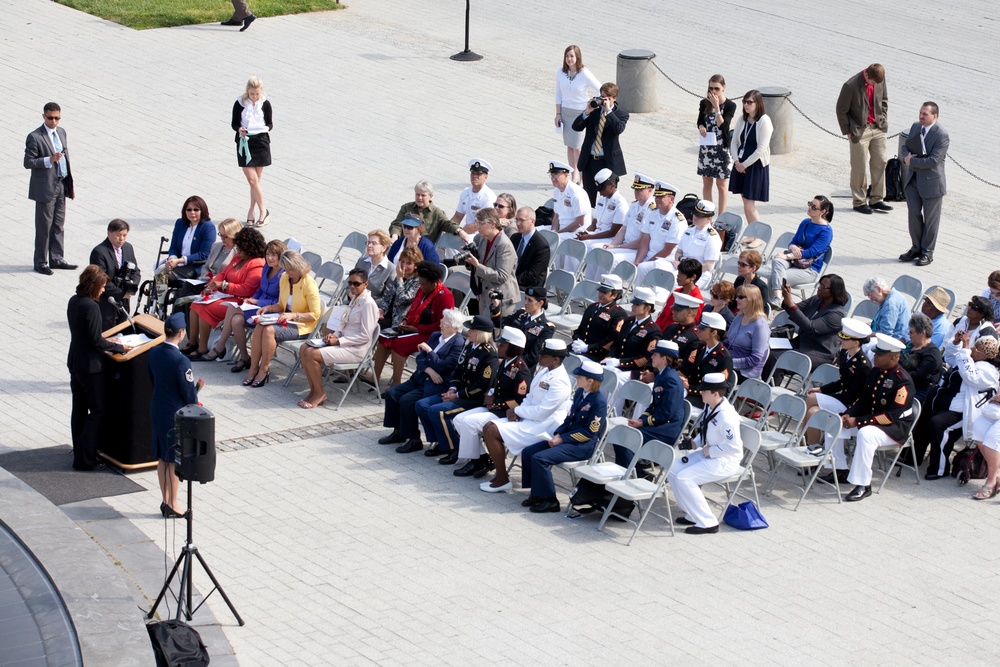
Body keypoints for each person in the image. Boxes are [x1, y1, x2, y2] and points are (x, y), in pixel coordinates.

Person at [479, 339, 574, 493]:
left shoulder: (561, 381)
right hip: (530, 418)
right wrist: (517, 411)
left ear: (555, 359)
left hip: (544, 426)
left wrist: (516, 411)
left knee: (492, 431)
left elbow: (543, 411)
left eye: (544, 355)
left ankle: (502, 479)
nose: (540, 356)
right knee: (488, 426)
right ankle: (499, 477)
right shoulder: (545, 370)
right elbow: (529, 397)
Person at [520, 360, 608, 513]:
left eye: (580, 377)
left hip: (581, 446)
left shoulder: (598, 402)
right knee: (528, 452)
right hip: (567, 438)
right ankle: (537, 494)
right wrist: (559, 433)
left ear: (590, 381)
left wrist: (563, 439)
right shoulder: (581, 392)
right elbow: (570, 418)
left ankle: (550, 501)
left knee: (540, 458)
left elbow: (589, 433)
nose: (576, 378)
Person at [67, 266, 130, 471]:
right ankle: (86, 458)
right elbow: (96, 341)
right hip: (91, 368)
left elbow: (87, 335)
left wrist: (104, 339)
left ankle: (79, 453)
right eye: (102, 286)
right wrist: (119, 346)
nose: (104, 290)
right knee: (97, 410)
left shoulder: (74, 301)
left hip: (76, 362)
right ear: (94, 286)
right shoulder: (92, 307)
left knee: (79, 410)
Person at [410, 314, 499, 455]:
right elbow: (458, 371)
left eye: (472, 330)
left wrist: (457, 395)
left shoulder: (489, 354)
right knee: (421, 405)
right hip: (458, 393)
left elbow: (482, 386)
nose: (468, 332)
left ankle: (453, 448)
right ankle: (441, 441)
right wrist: (452, 389)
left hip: (473, 399)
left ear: (480, 333)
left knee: (436, 411)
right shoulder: (469, 346)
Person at [841, 335, 916, 502]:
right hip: (874, 419)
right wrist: (850, 413)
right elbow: (864, 399)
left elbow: (891, 416)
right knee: (837, 422)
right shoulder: (876, 371)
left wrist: (858, 421)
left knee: (865, 434)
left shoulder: (902, 382)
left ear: (894, 358)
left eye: (880, 355)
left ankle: (863, 484)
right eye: (875, 353)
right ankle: (839, 468)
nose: (875, 356)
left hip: (894, 428)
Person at [378, 309, 466, 448]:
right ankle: (398, 431)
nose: (441, 324)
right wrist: (429, 369)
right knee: (392, 393)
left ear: (455, 328)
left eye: (445, 323)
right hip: (422, 376)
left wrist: (430, 352)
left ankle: (414, 439)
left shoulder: (458, 343)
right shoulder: (436, 336)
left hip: (436, 383)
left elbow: (444, 366)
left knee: (407, 400)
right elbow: (420, 358)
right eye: (442, 321)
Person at [668, 372, 743, 534]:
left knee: (684, 478)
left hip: (725, 460)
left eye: (704, 391)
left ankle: (708, 522)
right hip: (709, 454)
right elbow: (707, 429)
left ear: (715, 393)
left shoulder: (727, 416)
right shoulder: (712, 407)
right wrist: (695, 442)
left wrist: (711, 450)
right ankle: (692, 513)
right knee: (673, 469)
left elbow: (735, 447)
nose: (700, 392)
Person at [452, 327, 532, 477]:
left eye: (503, 345)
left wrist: (496, 402)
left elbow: (519, 400)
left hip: (504, 412)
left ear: (513, 348)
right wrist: (490, 396)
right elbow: (496, 385)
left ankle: (476, 461)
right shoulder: (506, 363)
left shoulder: (521, 370)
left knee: (469, 422)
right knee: (458, 420)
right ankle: (483, 458)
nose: (499, 347)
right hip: (493, 407)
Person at [298, 268, 379, 409]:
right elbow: (345, 323)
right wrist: (334, 334)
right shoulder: (355, 298)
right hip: (343, 343)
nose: (352, 287)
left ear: (365, 284)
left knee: (312, 355)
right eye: (350, 283)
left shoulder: (368, 304)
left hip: (356, 350)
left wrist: (339, 341)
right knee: (304, 347)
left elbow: (365, 336)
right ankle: (313, 390)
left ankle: (319, 393)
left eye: (356, 284)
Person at [921, 336, 1000, 480]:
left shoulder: (988, 371)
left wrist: (965, 347)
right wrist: (956, 343)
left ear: (984, 355)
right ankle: (912, 457)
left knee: (938, 424)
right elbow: (950, 357)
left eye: (976, 349)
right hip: (946, 405)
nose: (972, 350)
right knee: (925, 416)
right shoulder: (970, 360)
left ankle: (939, 469)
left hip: (964, 413)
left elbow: (969, 375)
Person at [242, 250, 321, 388]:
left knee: (268, 331)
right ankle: (253, 368)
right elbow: (281, 304)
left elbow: (315, 314)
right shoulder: (285, 278)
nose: (288, 272)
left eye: (291, 269)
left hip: (302, 324)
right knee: (260, 325)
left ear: (299, 267)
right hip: (284, 318)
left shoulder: (309, 283)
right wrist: (269, 308)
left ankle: (264, 369)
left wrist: (293, 315)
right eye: (286, 269)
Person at [806, 318, 872, 477]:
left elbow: (853, 394)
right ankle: (811, 448)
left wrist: (826, 394)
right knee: (812, 409)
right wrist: (822, 389)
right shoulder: (845, 354)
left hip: (851, 405)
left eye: (846, 338)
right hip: (843, 398)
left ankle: (812, 450)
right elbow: (842, 381)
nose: (841, 340)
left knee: (812, 404)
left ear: (856, 343)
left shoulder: (863, 365)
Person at [186, 227, 266, 359]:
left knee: (205, 307)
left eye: (240, 249)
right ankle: (192, 342)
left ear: (249, 248)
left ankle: (202, 348)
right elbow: (223, 273)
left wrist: (225, 285)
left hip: (241, 301)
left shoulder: (257, 264)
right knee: (196, 303)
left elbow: (247, 290)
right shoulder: (238, 258)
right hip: (228, 296)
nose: (238, 252)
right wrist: (213, 284)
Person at [147, 313, 198, 518]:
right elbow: (188, 393)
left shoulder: (153, 352)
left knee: (163, 458)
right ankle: (172, 503)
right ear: (182, 332)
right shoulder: (181, 360)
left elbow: (153, 378)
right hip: (174, 414)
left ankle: (165, 499)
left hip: (158, 407)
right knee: (173, 460)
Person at [373, 262, 454, 387]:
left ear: (433, 283)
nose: (421, 286)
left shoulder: (445, 296)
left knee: (399, 344)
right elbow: (412, 310)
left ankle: (396, 383)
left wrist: (417, 329)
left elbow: (441, 326)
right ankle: (375, 377)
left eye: (423, 284)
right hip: (414, 329)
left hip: (431, 335)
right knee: (384, 336)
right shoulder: (423, 289)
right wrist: (405, 320)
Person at [213, 239, 286, 375]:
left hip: (271, 309)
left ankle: (220, 346)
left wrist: (257, 302)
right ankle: (245, 357)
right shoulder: (266, 267)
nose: (269, 258)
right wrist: (252, 299)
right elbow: (260, 289)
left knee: (234, 308)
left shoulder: (284, 275)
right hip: (259, 305)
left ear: (281, 256)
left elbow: (281, 301)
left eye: (273, 255)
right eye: (268, 254)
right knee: (236, 320)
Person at [25, 102, 77, 275]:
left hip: (61, 184)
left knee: (58, 224)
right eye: (50, 118)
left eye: (57, 118)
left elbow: (66, 158)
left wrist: (70, 184)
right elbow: (28, 162)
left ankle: (57, 258)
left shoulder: (61, 133)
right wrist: (49, 160)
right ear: (43, 116)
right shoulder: (35, 136)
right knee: (44, 226)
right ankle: (40, 261)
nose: (54, 121)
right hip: (46, 188)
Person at [836, 64, 891, 215]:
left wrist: (883, 119)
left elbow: (884, 100)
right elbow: (841, 109)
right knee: (859, 167)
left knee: (880, 161)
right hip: (860, 130)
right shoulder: (850, 86)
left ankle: (877, 198)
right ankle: (859, 201)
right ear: (866, 74)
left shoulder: (880, 79)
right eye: (872, 82)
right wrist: (848, 130)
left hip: (878, 127)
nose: (874, 85)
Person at [900, 102, 949, 267]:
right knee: (913, 213)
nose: (921, 116)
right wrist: (906, 156)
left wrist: (911, 161)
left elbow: (934, 161)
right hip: (913, 180)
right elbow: (905, 146)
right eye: (920, 113)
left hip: (931, 184)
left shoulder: (941, 135)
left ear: (934, 116)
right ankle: (916, 247)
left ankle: (927, 252)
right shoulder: (915, 127)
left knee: (931, 220)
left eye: (925, 114)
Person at [771, 274, 849, 371]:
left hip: (818, 353)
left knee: (777, 359)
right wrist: (788, 298)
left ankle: (770, 385)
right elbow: (795, 309)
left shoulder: (837, 315)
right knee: (768, 351)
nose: (819, 288)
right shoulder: (817, 299)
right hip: (801, 343)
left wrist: (790, 302)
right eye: (820, 284)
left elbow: (811, 327)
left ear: (833, 292)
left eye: (823, 286)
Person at [767, 196, 834, 307]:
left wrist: (788, 256)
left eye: (814, 207)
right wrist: (793, 248)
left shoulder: (826, 231)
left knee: (775, 276)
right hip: (795, 260)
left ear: (823, 212)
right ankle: (777, 299)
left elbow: (812, 252)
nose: (810, 208)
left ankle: (771, 305)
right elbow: (793, 242)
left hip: (809, 268)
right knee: (777, 261)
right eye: (809, 204)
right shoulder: (805, 222)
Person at [572, 82, 629, 207]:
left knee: (608, 196)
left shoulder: (621, 114)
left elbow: (618, 129)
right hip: (590, 160)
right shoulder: (594, 111)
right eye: (603, 97)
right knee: (588, 196)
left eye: (608, 98)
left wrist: (608, 112)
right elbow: (576, 127)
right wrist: (587, 112)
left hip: (607, 162)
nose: (604, 101)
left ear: (615, 98)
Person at [554, 45, 601, 185]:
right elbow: (558, 93)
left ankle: (581, 177)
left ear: (578, 57)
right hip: (565, 111)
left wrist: (592, 103)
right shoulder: (561, 72)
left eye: (572, 56)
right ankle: (572, 174)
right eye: (567, 56)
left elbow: (599, 88)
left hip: (579, 113)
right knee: (569, 146)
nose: (569, 59)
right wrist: (557, 113)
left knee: (578, 147)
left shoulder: (583, 73)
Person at [628, 339, 687, 451]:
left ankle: (632, 467)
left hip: (666, 429)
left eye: (655, 355)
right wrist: (641, 419)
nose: (652, 357)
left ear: (664, 359)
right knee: (626, 436)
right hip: (658, 423)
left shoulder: (670, 380)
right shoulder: (662, 375)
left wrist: (643, 423)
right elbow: (654, 405)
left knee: (629, 438)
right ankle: (632, 466)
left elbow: (666, 414)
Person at [232, 76, 272, 227]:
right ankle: (263, 211)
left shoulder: (265, 103)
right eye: (252, 93)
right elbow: (234, 123)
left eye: (257, 94)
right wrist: (240, 129)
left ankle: (251, 211)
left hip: (261, 142)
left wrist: (264, 129)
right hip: (245, 142)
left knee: (256, 182)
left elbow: (270, 123)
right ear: (247, 90)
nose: (254, 97)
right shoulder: (240, 103)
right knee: (252, 180)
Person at [465, 207, 519, 317]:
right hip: (484, 294)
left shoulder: (504, 245)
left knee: (491, 333)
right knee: (482, 332)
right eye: (477, 222)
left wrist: (477, 266)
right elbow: (476, 266)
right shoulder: (482, 238)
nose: (477, 227)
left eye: (481, 223)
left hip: (500, 299)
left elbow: (501, 276)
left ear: (493, 224)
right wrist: (468, 259)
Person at [729, 90, 772, 224]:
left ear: (758, 104)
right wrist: (736, 161)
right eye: (744, 102)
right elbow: (734, 142)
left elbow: (761, 149)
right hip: (740, 164)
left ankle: (758, 235)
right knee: (745, 201)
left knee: (749, 203)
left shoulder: (764, 121)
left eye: (749, 102)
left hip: (754, 166)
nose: (746, 105)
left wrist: (744, 165)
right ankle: (751, 232)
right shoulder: (743, 119)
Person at [697, 75, 737, 213]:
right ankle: (707, 213)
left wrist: (716, 107)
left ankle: (721, 216)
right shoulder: (704, 103)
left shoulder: (730, 105)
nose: (713, 92)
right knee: (707, 183)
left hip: (722, 149)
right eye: (711, 88)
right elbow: (700, 121)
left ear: (723, 88)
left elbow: (723, 126)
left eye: (717, 89)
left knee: (721, 185)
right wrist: (701, 127)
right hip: (707, 148)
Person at [155, 196, 216, 284]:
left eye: (196, 210)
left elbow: (204, 254)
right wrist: (172, 259)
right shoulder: (180, 223)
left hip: (194, 266)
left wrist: (180, 260)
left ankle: (160, 298)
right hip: (177, 263)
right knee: (160, 270)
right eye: (189, 210)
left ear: (202, 211)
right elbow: (173, 247)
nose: (192, 212)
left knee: (161, 272)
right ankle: (158, 298)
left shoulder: (208, 227)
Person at [90, 219, 139, 330]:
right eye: (118, 235)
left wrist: (132, 285)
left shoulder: (128, 248)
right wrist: (121, 294)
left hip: (123, 304)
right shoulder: (99, 252)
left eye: (124, 235)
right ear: (109, 233)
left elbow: (136, 271)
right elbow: (101, 279)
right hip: (106, 304)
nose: (121, 239)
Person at [635, 181, 686, 284]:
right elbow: (645, 240)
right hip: (648, 255)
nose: (656, 199)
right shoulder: (653, 213)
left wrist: (645, 263)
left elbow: (667, 250)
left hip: (665, 260)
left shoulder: (677, 220)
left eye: (660, 197)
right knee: (627, 262)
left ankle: (637, 296)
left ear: (671, 199)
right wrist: (638, 260)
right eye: (656, 196)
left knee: (642, 268)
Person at [679, 312, 734, 408]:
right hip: (688, 391)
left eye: (702, 329)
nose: (698, 330)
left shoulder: (724, 358)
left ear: (714, 333)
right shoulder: (699, 347)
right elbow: (685, 369)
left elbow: (719, 389)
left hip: (705, 400)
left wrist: (690, 388)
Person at [493, 285, 554, 369]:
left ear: (540, 303)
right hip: (504, 361)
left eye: (530, 300)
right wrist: (496, 306)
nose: (525, 302)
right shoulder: (521, 314)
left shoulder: (546, 328)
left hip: (520, 368)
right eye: (525, 298)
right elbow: (500, 323)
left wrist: (508, 361)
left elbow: (533, 357)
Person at [571, 274, 628, 362]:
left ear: (614, 295)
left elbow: (611, 339)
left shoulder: (618, 314)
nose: (601, 294)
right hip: (579, 347)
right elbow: (581, 328)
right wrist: (576, 340)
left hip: (596, 354)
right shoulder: (592, 307)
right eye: (600, 291)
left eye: (605, 292)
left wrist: (588, 348)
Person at [604, 173, 655, 266]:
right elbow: (623, 230)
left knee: (612, 259)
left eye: (640, 189)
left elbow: (641, 241)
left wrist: (618, 246)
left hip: (637, 250)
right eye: (635, 189)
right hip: (626, 246)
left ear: (650, 190)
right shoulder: (634, 205)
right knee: (603, 253)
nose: (636, 191)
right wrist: (612, 245)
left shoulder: (652, 211)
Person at [673, 200, 722, 290]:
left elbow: (708, 266)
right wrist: (680, 259)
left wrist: (687, 268)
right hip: (681, 267)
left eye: (700, 216)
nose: (695, 217)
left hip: (699, 273)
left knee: (676, 287)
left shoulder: (712, 237)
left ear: (709, 218)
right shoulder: (688, 230)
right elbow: (678, 252)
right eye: (695, 214)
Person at [388, 181, 455, 243]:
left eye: (423, 195)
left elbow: (448, 224)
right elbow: (397, 224)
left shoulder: (437, 213)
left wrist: (460, 232)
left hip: (424, 249)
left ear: (430, 197)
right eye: (417, 194)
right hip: (404, 244)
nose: (419, 198)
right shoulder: (406, 207)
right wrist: (395, 236)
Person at [727, 285, 770, 380]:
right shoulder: (738, 317)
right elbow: (727, 342)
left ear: (752, 300)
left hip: (745, 372)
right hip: (729, 361)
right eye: (737, 296)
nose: (737, 299)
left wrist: (729, 362)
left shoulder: (760, 325)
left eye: (741, 297)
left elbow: (755, 359)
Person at [375, 246, 422, 331]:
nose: (404, 266)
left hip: (398, 321)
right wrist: (382, 310)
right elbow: (388, 297)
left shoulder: (417, 281)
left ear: (415, 265)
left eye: (409, 263)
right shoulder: (399, 275)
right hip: (386, 315)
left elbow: (403, 300)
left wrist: (400, 279)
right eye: (402, 262)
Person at [576, 169, 626, 250]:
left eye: (602, 189)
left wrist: (589, 236)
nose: (600, 193)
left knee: (586, 246)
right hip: (596, 234)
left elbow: (613, 232)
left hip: (609, 239)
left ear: (612, 184)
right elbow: (594, 224)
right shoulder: (601, 199)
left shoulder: (620, 204)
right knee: (574, 241)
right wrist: (585, 232)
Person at [943, 296, 998, 367]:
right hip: (947, 360)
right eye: (970, 304)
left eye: (974, 307)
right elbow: (945, 343)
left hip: (966, 370)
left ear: (983, 313)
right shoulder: (960, 321)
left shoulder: (987, 333)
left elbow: (979, 360)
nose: (969, 308)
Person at [899, 313, 943, 402]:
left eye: (911, 332)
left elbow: (918, 376)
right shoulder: (911, 345)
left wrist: (896, 373)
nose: (908, 334)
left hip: (916, 390)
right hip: (901, 381)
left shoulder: (932, 355)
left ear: (923, 333)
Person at [654, 258, 705, 331]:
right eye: (679, 272)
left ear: (693, 277)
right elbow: (663, 315)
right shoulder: (676, 292)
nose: (678, 275)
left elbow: (692, 326)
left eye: (682, 273)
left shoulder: (697, 300)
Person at [452, 159, 496, 242]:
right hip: (466, 232)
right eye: (473, 173)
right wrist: (448, 228)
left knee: (455, 242)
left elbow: (479, 224)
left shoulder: (488, 197)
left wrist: (460, 232)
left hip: (480, 235)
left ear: (486, 177)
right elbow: (457, 217)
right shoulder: (466, 192)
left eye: (478, 174)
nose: (475, 176)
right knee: (443, 240)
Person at [547, 160, 593, 238]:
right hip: (562, 229)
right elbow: (557, 215)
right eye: (551, 175)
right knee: (537, 232)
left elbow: (580, 222)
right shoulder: (556, 191)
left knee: (553, 239)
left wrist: (558, 233)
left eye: (555, 175)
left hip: (576, 231)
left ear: (566, 175)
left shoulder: (575, 193)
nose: (553, 179)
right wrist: (553, 231)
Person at [510, 207, 550, 289]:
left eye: (521, 220)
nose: (518, 223)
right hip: (511, 280)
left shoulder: (541, 246)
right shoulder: (515, 237)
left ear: (532, 221)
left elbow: (532, 275)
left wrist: (510, 282)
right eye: (516, 220)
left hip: (527, 287)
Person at [971, 393, 1000, 500]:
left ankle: (991, 481)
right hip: (995, 406)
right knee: (978, 433)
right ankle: (997, 473)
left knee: (992, 439)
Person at [864, 276, 911, 341]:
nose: (871, 300)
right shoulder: (894, 295)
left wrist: (866, 335)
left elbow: (885, 335)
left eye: (870, 295)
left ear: (878, 289)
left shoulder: (890, 304)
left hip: (893, 343)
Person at [356, 229, 394, 299]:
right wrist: (351, 294)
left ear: (384, 248)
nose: (369, 245)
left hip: (372, 307)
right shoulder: (361, 262)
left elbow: (387, 298)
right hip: (353, 302)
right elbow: (350, 284)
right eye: (368, 242)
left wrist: (366, 302)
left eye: (374, 243)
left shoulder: (391, 270)